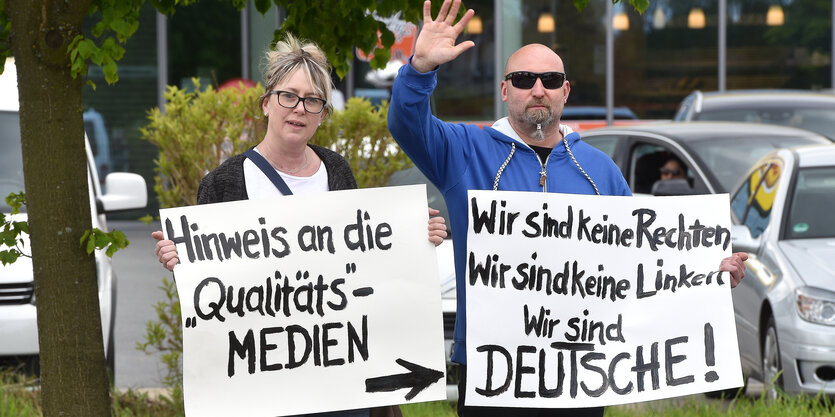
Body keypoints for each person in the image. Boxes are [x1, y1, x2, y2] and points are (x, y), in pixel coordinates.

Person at [386, 1, 748, 416]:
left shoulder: (600, 170)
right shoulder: (464, 150)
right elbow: (406, 123)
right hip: (494, 369)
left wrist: (705, 274)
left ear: (565, 91)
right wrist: (419, 69)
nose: (537, 89)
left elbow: (644, 262)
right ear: (505, 90)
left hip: (581, 370)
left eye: (550, 79)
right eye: (523, 79)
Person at [152, 33, 445, 417]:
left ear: (323, 113)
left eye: (313, 101)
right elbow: (211, 298)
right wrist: (179, 262)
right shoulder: (224, 183)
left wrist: (413, 236)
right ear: (266, 104)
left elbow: (367, 267)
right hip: (260, 389)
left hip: (339, 384)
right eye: (288, 96)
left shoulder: (338, 171)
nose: (299, 109)